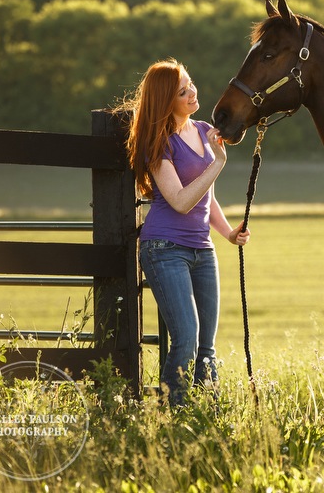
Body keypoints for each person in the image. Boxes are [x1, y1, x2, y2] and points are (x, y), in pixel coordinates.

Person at [121, 58, 250, 407]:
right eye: (182, 91)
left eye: (190, 84)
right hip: (164, 249)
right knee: (186, 339)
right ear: (166, 101)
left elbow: (206, 195)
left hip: (202, 250)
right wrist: (218, 164)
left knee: (206, 344)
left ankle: (206, 413)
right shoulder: (159, 144)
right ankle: (172, 414)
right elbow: (179, 200)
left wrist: (226, 232)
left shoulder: (204, 130)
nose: (192, 92)